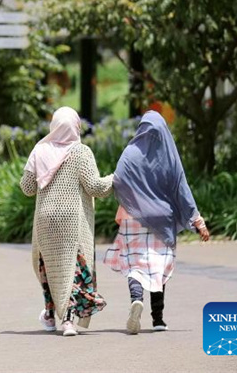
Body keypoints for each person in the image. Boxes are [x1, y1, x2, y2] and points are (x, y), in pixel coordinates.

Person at [104, 110, 210, 334]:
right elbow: (182, 189)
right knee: (157, 266)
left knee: (135, 264)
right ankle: (158, 319)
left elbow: (119, 179)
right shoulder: (169, 155)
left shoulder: (130, 152)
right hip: (162, 219)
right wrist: (197, 220)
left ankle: (136, 299)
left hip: (133, 218)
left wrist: (132, 200)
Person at [19, 106, 114, 337]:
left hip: (45, 221)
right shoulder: (82, 152)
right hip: (71, 222)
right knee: (71, 269)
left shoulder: (39, 151)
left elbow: (27, 188)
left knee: (50, 267)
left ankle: (50, 316)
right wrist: (115, 178)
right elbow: (95, 187)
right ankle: (68, 322)